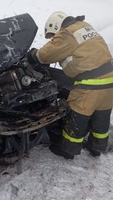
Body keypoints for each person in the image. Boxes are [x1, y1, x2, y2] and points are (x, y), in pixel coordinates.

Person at [27, 11, 113, 159]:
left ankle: (67, 150)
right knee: (101, 118)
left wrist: (32, 54)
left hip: (90, 84)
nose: (54, 38)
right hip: (109, 80)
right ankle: (96, 147)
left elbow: (45, 55)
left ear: (55, 25)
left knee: (76, 118)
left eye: (53, 35)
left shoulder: (66, 34)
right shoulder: (84, 26)